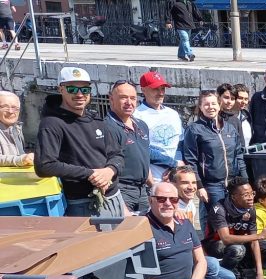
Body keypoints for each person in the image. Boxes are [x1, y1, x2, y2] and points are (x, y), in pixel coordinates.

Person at [145, 182, 242, 279]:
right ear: (150, 201)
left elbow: (201, 261)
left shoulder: (184, 222)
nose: (168, 203)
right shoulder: (142, 228)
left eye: (173, 199)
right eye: (161, 199)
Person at [35, 67, 126, 218]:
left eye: (85, 89)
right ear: (61, 90)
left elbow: (117, 154)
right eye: (72, 89)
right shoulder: (51, 123)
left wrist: (109, 171)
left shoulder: (96, 119)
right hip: (84, 203)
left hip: (114, 198)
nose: (79, 94)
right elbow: (45, 165)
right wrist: (91, 174)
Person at [182, 89, 245, 229]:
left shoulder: (229, 128)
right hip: (211, 185)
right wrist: (199, 186)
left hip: (232, 182)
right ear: (200, 107)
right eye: (206, 104)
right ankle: (210, 248)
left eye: (213, 103)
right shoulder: (194, 130)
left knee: (233, 220)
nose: (210, 107)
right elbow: (190, 160)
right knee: (215, 222)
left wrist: (244, 180)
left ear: (219, 104)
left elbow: (238, 154)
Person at [167, 165, 236, 279]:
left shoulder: (190, 205)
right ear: (173, 185)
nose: (191, 187)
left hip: (191, 257)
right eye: (184, 183)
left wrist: (202, 261)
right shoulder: (169, 208)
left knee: (229, 278)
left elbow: (193, 240)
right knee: (213, 265)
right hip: (178, 264)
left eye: (193, 182)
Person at [106, 80, 153, 213]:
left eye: (132, 98)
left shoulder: (142, 125)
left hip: (143, 190)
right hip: (122, 190)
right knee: (125, 231)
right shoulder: (107, 127)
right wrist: (120, 203)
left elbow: (144, 160)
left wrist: (154, 188)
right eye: (123, 97)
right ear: (111, 99)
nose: (129, 102)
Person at [135, 71, 182, 181]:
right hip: (153, 178)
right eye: (155, 89)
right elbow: (143, 149)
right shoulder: (137, 116)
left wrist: (175, 168)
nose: (160, 93)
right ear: (143, 90)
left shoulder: (173, 114)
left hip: (175, 176)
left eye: (162, 89)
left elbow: (180, 144)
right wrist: (172, 163)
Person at [0, 90, 31, 166]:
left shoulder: (16, 129)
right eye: (5, 107)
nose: (10, 111)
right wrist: (20, 159)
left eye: (15, 108)